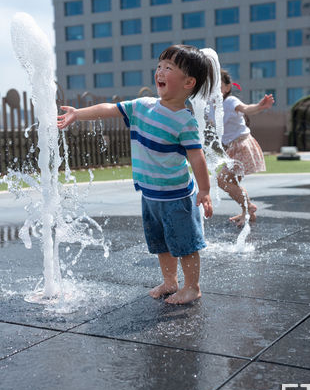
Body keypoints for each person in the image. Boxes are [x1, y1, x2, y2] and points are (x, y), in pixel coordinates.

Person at [57, 44, 214, 305]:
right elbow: (109, 109)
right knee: (160, 243)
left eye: (169, 68)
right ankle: (170, 281)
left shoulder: (185, 121)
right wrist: (78, 114)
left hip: (176, 196)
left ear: (189, 82)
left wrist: (205, 190)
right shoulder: (143, 106)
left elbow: (197, 157)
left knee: (185, 244)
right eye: (159, 66)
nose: (160, 72)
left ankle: (192, 286)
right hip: (150, 195)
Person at [212, 69, 274, 226]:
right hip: (232, 148)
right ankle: (248, 212)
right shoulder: (209, 108)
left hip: (242, 144)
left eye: (217, 85)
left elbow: (246, 108)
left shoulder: (230, 101)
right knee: (232, 182)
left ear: (227, 87)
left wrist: (259, 106)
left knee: (222, 180)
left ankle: (248, 208)